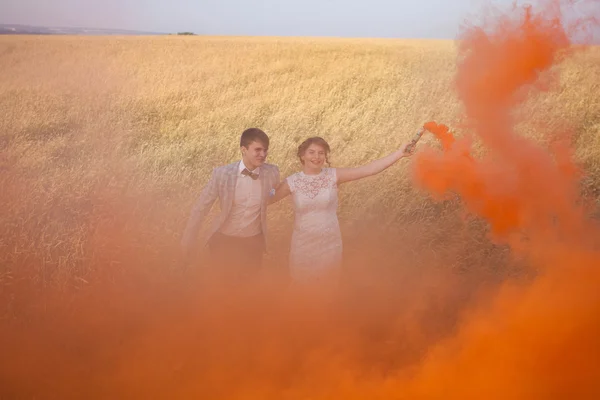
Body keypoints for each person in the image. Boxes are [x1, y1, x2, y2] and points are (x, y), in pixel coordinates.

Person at [268, 136, 414, 285]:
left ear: (325, 157)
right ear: (302, 155)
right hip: (302, 246)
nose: (316, 157)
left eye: (321, 153)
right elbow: (268, 199)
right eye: (311, 152)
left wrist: (399, 154)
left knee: (326, 290)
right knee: (301, 289)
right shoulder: (292, 181)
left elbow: (368, 170)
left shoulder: (333, 176)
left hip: (329, 244)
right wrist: (260, 181)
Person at [180, 128, 280, 280]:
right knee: (222, 289)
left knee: (248, 291)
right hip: (224, 242)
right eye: (258, 150)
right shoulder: (222, 174)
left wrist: (270, 195)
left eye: (265, 150)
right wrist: (188, 240)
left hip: (253, 243)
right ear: (243, 149)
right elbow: (201, 208)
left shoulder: (272, 172)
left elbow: (272, 193)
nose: (263, 154)